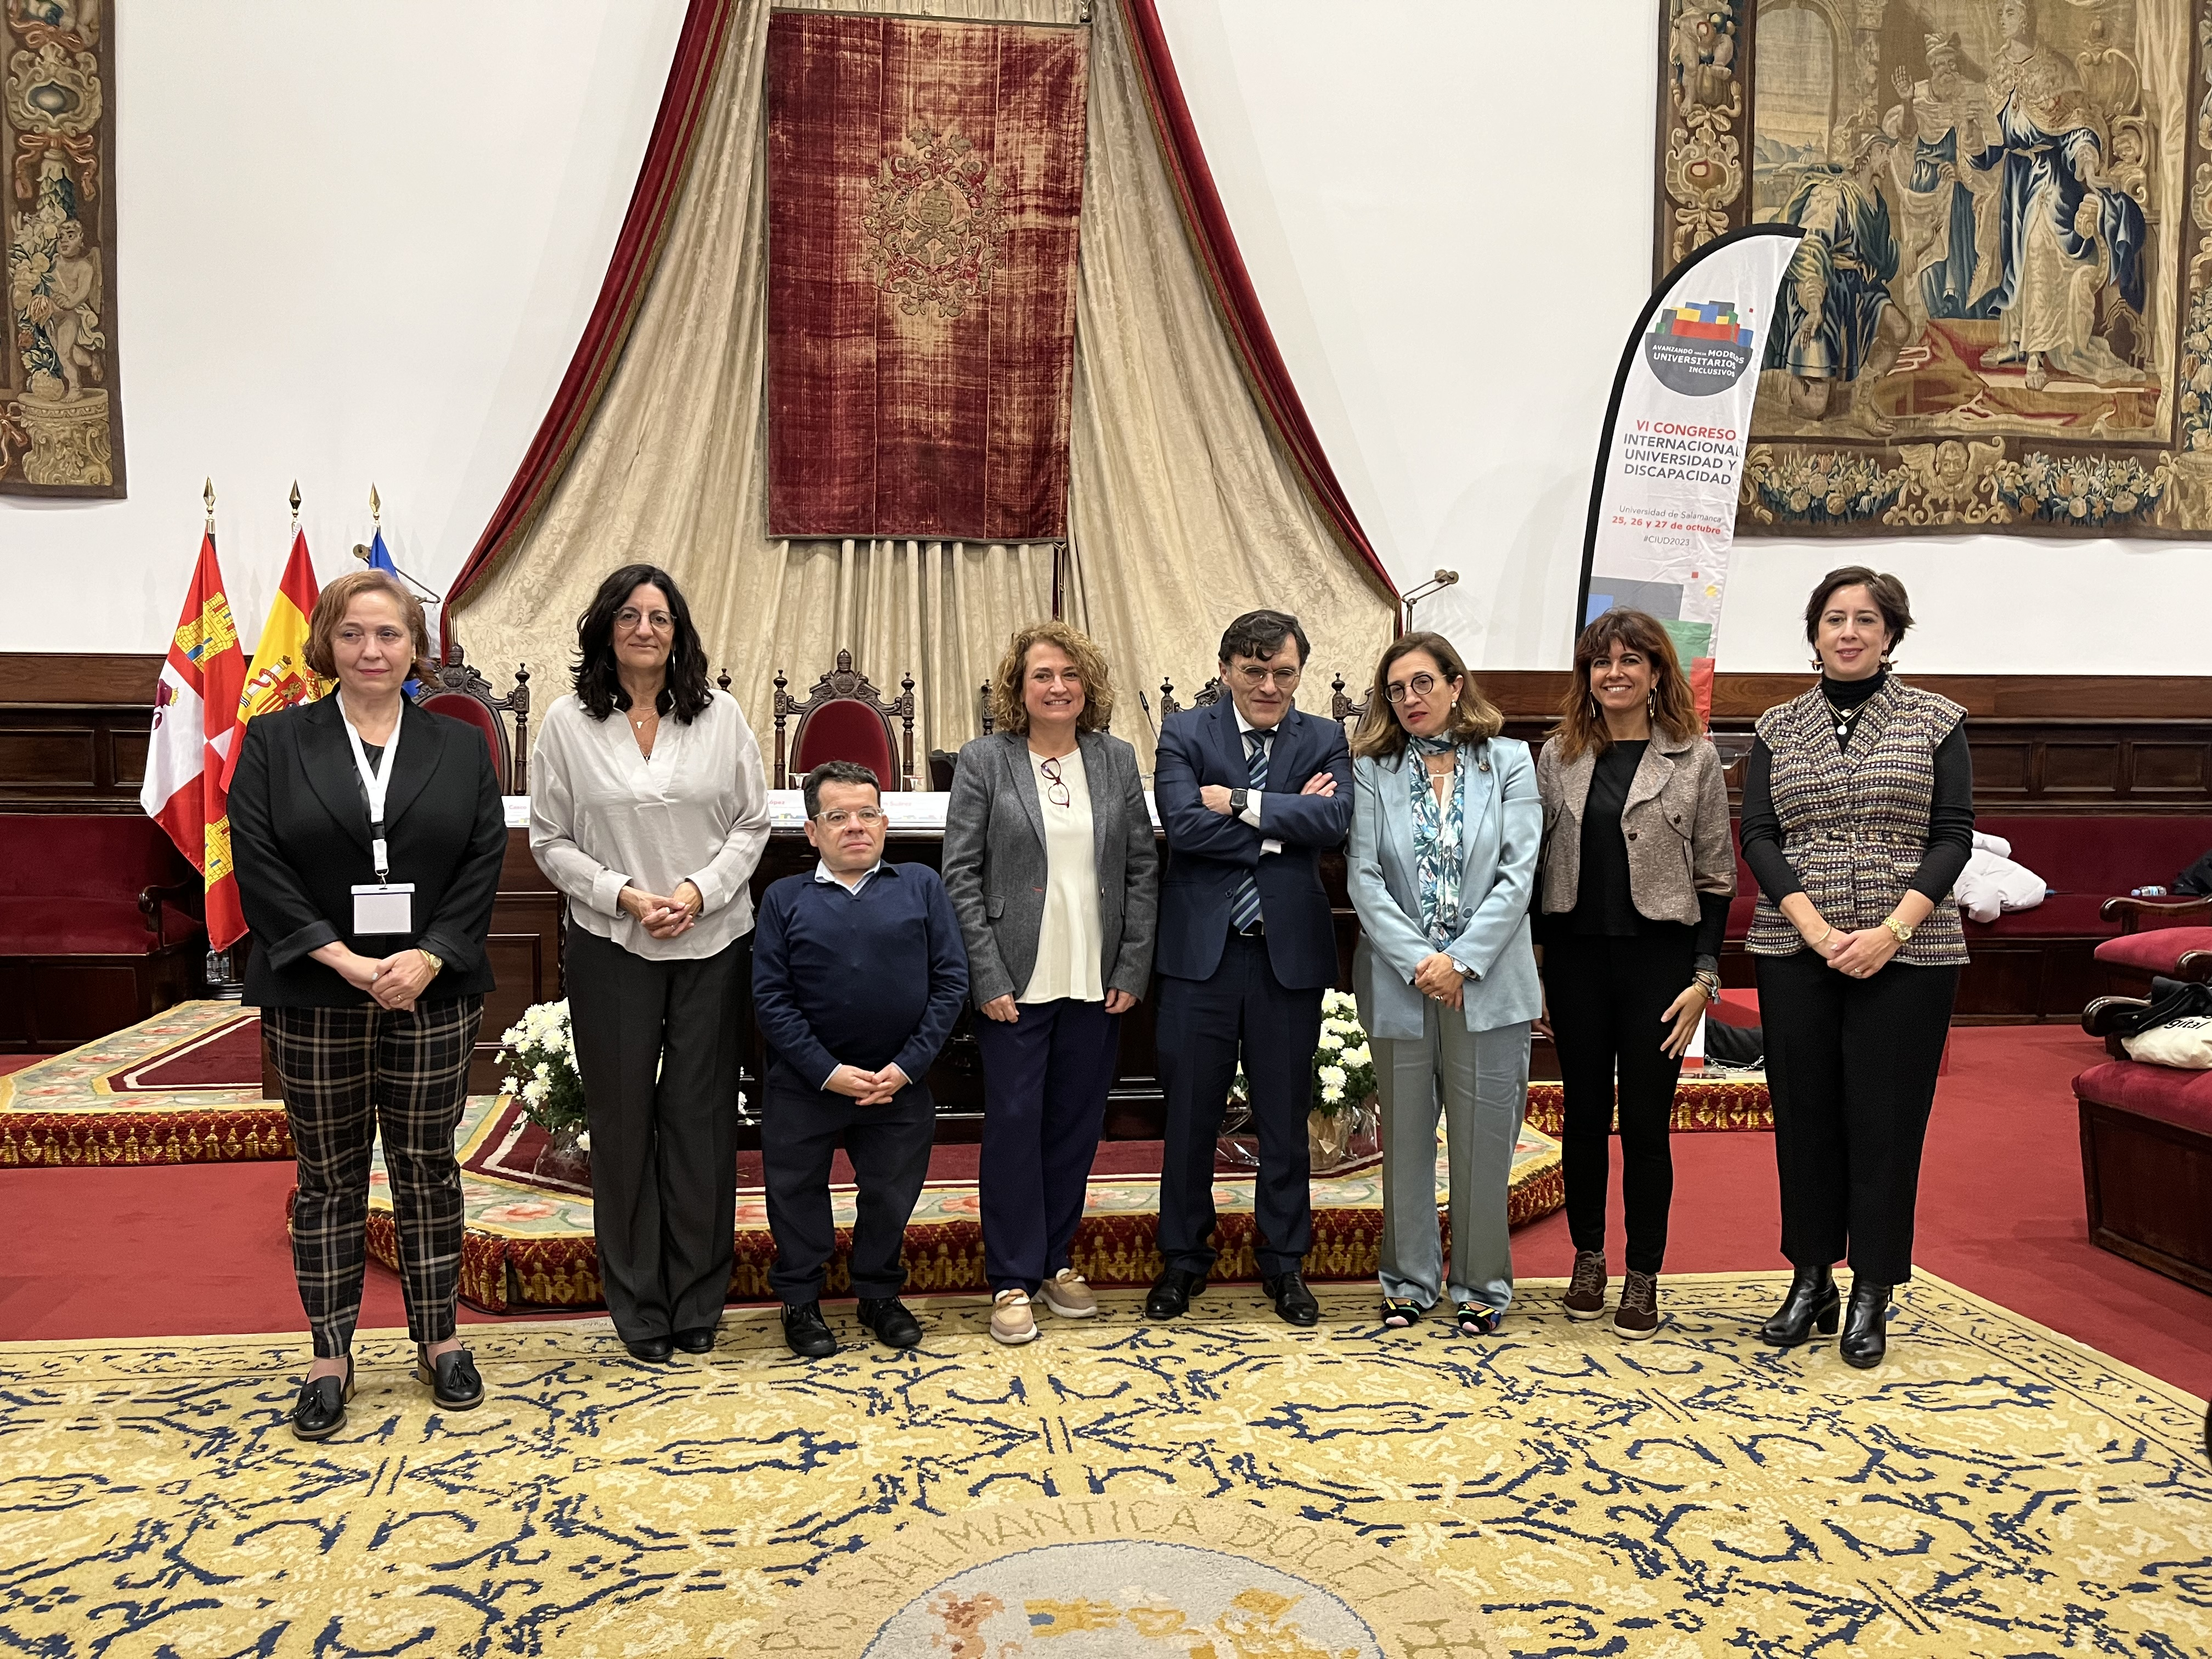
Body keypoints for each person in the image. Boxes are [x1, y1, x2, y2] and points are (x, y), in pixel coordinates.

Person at [230, 568, 506, 1440]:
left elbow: (482, 860)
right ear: (328, 644)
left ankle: (439, 1340)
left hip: (432, 991)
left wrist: (427, 957)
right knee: (331, 1176)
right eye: (353, 634)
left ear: (415, 647)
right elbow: (260, 861)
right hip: (317, 991)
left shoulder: (461, 747)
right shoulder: (276, 742)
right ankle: (328, 1355)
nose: (372, 650)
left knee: (427, 1166)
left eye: (389, 635)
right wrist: (344, 959)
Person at [530, 565, 769, 1363]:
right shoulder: (567, 724)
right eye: (629, 615)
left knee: (700, 1124)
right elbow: (549, 839)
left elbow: (752, 822)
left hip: (713, 939)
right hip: (612, 943)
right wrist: (623, 895)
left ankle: (699, 1297)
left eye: (660, 617)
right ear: (605, 628)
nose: (644, 629)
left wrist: (699, 892)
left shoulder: (720, 715)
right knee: (623, 1123)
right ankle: (638, 1307)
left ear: (679, 632)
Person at [1741, 566, 1971, 1368]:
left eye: (1866, 620)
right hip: (1795, 948)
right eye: (1834, 619)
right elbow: (1760, 837)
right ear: (1813, 635)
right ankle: (1811, 1277)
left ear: (1890, 635)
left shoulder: (1937, 720)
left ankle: (1874, 1285)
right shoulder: (1775, 726)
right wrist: (1809, 926)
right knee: (1804, 1119)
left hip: (1909, 953)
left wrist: (1891, 932)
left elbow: (1953, 836)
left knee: (1885, 1122)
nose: (1848, 632)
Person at [942, 622, 1157, 1345]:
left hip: (1095, 977)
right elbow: (961, 876)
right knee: (1012, 1129)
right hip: (1014, 980)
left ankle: (1056, 1260)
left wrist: (1131, 962)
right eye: (1042, 675)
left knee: (1073, 1126)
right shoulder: (984, 761)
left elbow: (1139, 870)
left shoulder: (1117, 759)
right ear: (1019, 687)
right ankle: (1010, 1275)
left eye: (1069, 673)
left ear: (1087, 685)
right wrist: (986, 972)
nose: (1057, 686)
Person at [1148, 610, 1352, 1328]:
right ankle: (1182, 1261)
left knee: (1285, 1123)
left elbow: (1334, 826)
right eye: (1254, 670)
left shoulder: (1325, 736)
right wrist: (1279, 830)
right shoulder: (1185, 732)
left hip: (1284, 959)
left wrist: (1238, 803)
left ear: (1299, 672)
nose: (1269, 685)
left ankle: (1286, 1264)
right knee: (1190, 1122)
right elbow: (1183, 827)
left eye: (1284, 672)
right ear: (1226, 668)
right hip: (1199, 959)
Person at [1534, 610, 1734, 1339]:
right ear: (1586, 676)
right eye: (1600, 662)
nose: (1614, 672)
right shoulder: (1555, 757)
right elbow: (1532, 872)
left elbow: (1717, 878)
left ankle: (1643, 1274)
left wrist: (1705, 978)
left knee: (1648, 1126)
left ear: (1656, 673)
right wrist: (1535, 969)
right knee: (1582, 1119)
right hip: (1578, 963)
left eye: (1630, 660)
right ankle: (1589, 1257)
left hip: (1661, 968)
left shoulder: (1695, 758)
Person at [1346, 631, 1539, 1337]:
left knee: (1485, 1141)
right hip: (1403, 985)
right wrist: (1422, 964)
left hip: (1486, 984)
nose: (1410, 700)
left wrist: (1460, 962)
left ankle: (1482, 1285)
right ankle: (1408, 1280)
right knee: (1404, 1140)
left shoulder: (1510, 762)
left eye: (1423, 683)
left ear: (1456, 685)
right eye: (1396, 689)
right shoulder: (1374, 769)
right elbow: (1364, 878)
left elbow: (1520, 873)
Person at [751, 761, 968, 1358]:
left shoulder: (921, 884)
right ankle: (801, 1299)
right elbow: (771, 997)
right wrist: (826, 1071)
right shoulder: (783, 898)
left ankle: (877, 1292)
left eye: (867, 814)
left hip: (898, 1082)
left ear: (885, 823)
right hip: (806, 1082)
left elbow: (951, 981)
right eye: (837, 816)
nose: (855, 827)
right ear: (812, 831)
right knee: (795, 1193)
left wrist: (908, 1066)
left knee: (890, 1194)